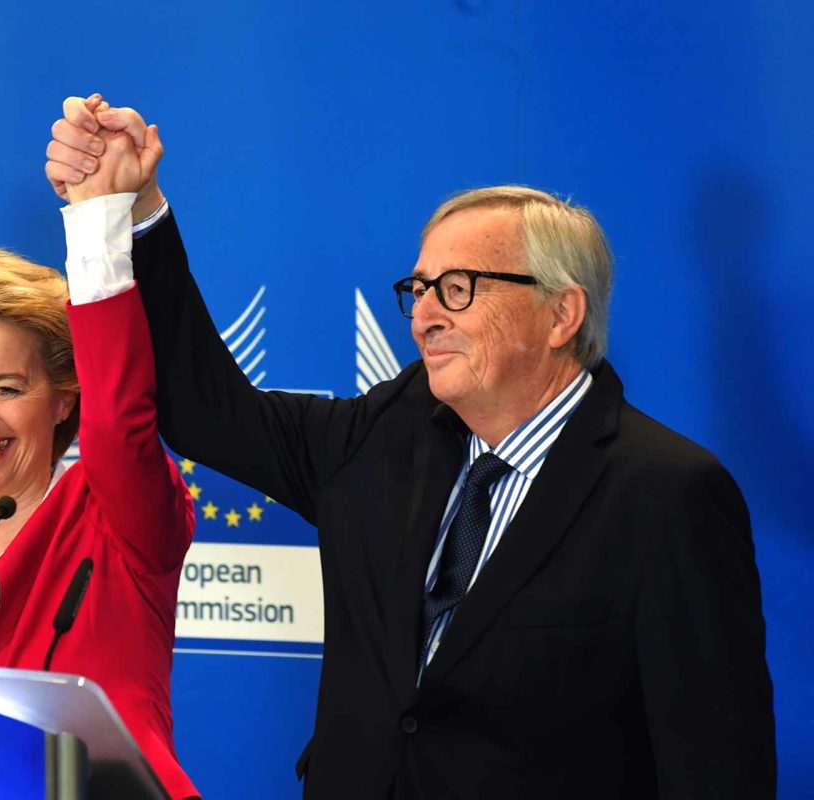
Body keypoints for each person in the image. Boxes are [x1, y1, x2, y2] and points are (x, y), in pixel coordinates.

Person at [45, 95, 776, 799]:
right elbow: (210, 413)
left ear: (561, 313)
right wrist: (136, 212)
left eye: (457, 288)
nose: (423, 316)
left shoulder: (668, 493)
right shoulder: (389, 431)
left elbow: (715, 766)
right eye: (418, 289)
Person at [0, 207, 201, 798]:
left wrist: (98, 211)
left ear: (66, 399)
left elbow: (123, 421)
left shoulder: (116, 527)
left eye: (6, 388)